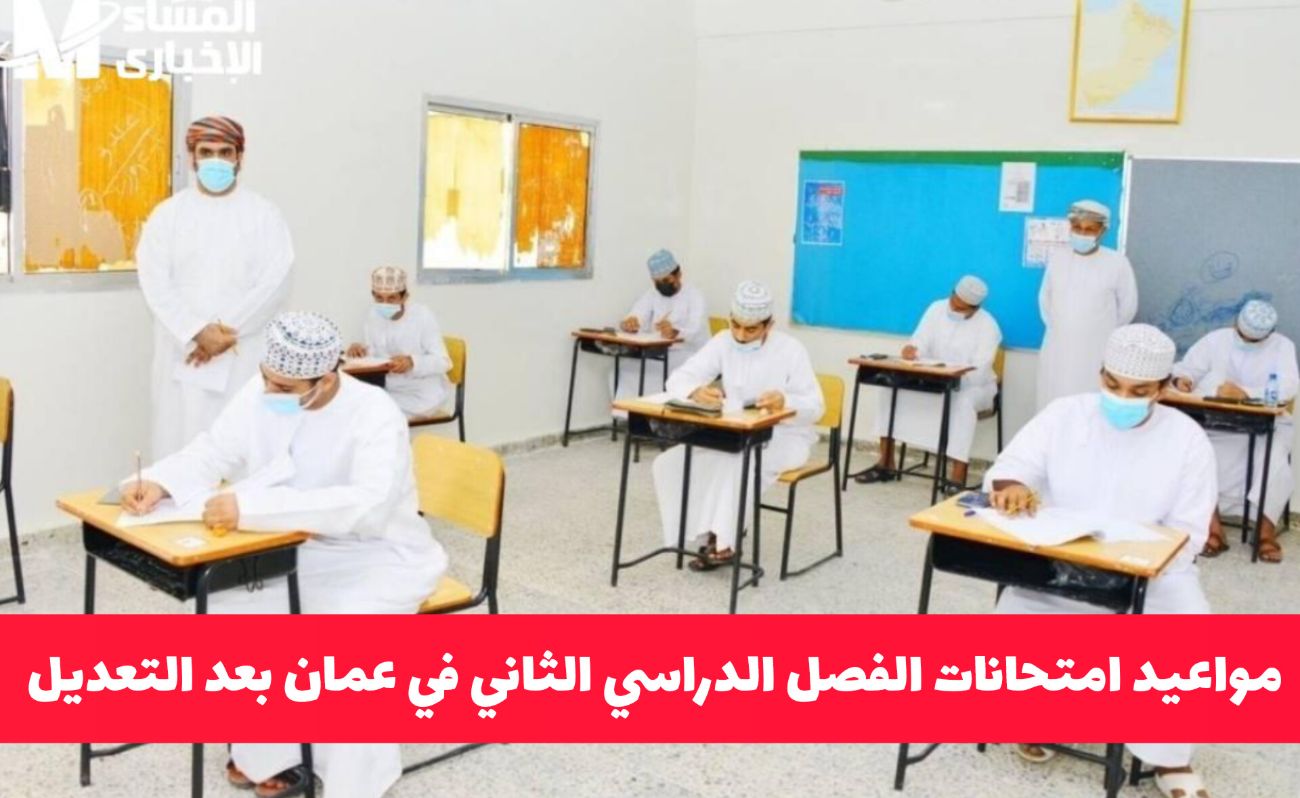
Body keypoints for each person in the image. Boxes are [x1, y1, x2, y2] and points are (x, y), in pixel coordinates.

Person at [121, 312, 446, 798]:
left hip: (378, 556)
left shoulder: (375, 413)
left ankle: (351, 778)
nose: (270, 392)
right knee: (235, 607)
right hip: (294, 546)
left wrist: (250, 509)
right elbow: (214, 451)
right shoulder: (266, 391)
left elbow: (369, 505)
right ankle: (270, 753)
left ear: (327, 379)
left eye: (285, 388)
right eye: (267, 379)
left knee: (346, 634)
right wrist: (160, 483)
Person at [986, 324, 1215, 798]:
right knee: (1018, 616)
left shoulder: (1187, 439)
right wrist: (1012, 488)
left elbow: (1189, 533)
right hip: (1063, 564)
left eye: (1139, 391)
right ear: (1101, 375)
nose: (1122, 398)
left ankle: (1169, 757)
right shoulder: (1064, 415)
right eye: (1113, 385)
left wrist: (1135, 562)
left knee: (1190, 627)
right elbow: (1012, 467)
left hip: (1152, 574)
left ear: (1162, 388)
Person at [137, 116, 295, 459]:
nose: (216, 160)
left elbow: (275, 282)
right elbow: (155, 283)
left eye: (225, 152)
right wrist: (195, 331)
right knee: (180, 445)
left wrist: (222, 333)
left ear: (240, 157)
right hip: (182, 354)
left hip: (242, 354)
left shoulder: (264, 215)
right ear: (192, 158)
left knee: (243, 447)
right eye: (206, 152)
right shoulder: (167, 216)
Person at [652, 281, 823, 569]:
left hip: (785, 436)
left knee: (737, 461)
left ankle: (725, 539)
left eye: (751, 329)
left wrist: (786, 401)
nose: (741, 336)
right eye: (736, 326)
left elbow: (816, 407)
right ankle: (701, 530)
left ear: (769, 325)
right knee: (672, 462)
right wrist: (695, 391)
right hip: (734, 432)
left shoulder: (791, 350)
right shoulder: (723, 341)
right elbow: (679, 378)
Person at [1172, 300, 1298, 562]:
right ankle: (1212, 528)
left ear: (1269, 334)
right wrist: (1183, 380)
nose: (1246, 342)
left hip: (1268, 425)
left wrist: (1246, 393)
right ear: (1235, 324)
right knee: (1197, 452)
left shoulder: (1283, 346)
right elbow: (1187, 369)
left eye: (1254, 340)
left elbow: (1288, 387)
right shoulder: (1216, 340)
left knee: (1274, 457)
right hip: (1216, 422)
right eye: (1242, 336)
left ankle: (1264, 533)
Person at [857, 275, 1001, 488]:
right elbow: (920, 340)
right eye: (953, 302)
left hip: (974, 387)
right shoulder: (936, 308)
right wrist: (912, 350)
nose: (954, 309)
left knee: (963, 402)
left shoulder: (989, 326)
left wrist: (954, 377)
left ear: (974, 309)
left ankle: (957, 477)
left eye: (960, 309)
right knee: (889, 390)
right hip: (934, 379)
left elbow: (980, 370)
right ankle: (886, 463)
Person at [1036, 200, 1138, 410]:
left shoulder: (1117, 263)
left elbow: (1128, 308)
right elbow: (1045, 300)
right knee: (1053, 406)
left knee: (1089, 407)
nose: (1082, 233)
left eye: (1089, 229)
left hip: (1096, 352)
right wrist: (1062, 328)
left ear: (1102, 231)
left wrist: (1098, 332)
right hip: (1057, 348)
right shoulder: (1058, 258)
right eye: (1077, 227)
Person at [346, 266, 453, 418]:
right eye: (379, 298)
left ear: (404, 297)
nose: (384, 304)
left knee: (374, 415)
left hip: (422, 393)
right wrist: (361, 351)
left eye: (391, 298)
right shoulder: (373, 315)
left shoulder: (422, 316)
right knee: (354, 406)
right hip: (390, 389)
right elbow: (376, 355)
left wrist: (412, 362)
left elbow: (444, 362)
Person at [614, 249, 709, 399]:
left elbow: (696, 329)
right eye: (657, 282)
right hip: (659, 353)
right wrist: (630, 323)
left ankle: (652, 413)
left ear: (678, 275)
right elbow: (637, 314)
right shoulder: (652, 294)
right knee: (623, 370)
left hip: (688, 353)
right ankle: (631, 412)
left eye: (666, 281)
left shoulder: (694, 295)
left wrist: (675, 332)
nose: (662, 286)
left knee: (659, 375)